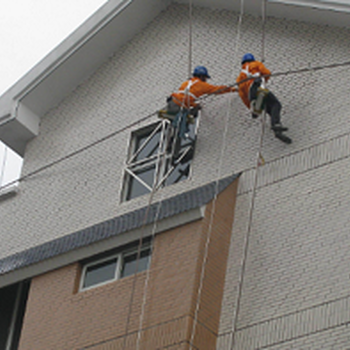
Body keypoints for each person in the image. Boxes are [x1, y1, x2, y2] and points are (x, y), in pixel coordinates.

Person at [159, 66, 236, 138]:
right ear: (202, 76)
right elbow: (218, 89)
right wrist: (233, 89)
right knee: (183, 121)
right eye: (205, 78)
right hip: (179, 107)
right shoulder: (202, 85)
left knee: (174, 123)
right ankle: (177, 136)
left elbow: (186, 98)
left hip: (171, 103)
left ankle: (170, 138)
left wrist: (195, 105)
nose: (206, 80)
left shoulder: (187, 82)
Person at [236, 53, 292, 144]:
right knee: (276, 104)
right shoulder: (256, 64)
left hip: (251, 94)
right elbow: (267, 73)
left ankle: (277, 131)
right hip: (259, 88)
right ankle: (276, 124)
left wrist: (250, 106)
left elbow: (242, 94)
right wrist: (264, 81)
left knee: (270, 110)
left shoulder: (241, 76)